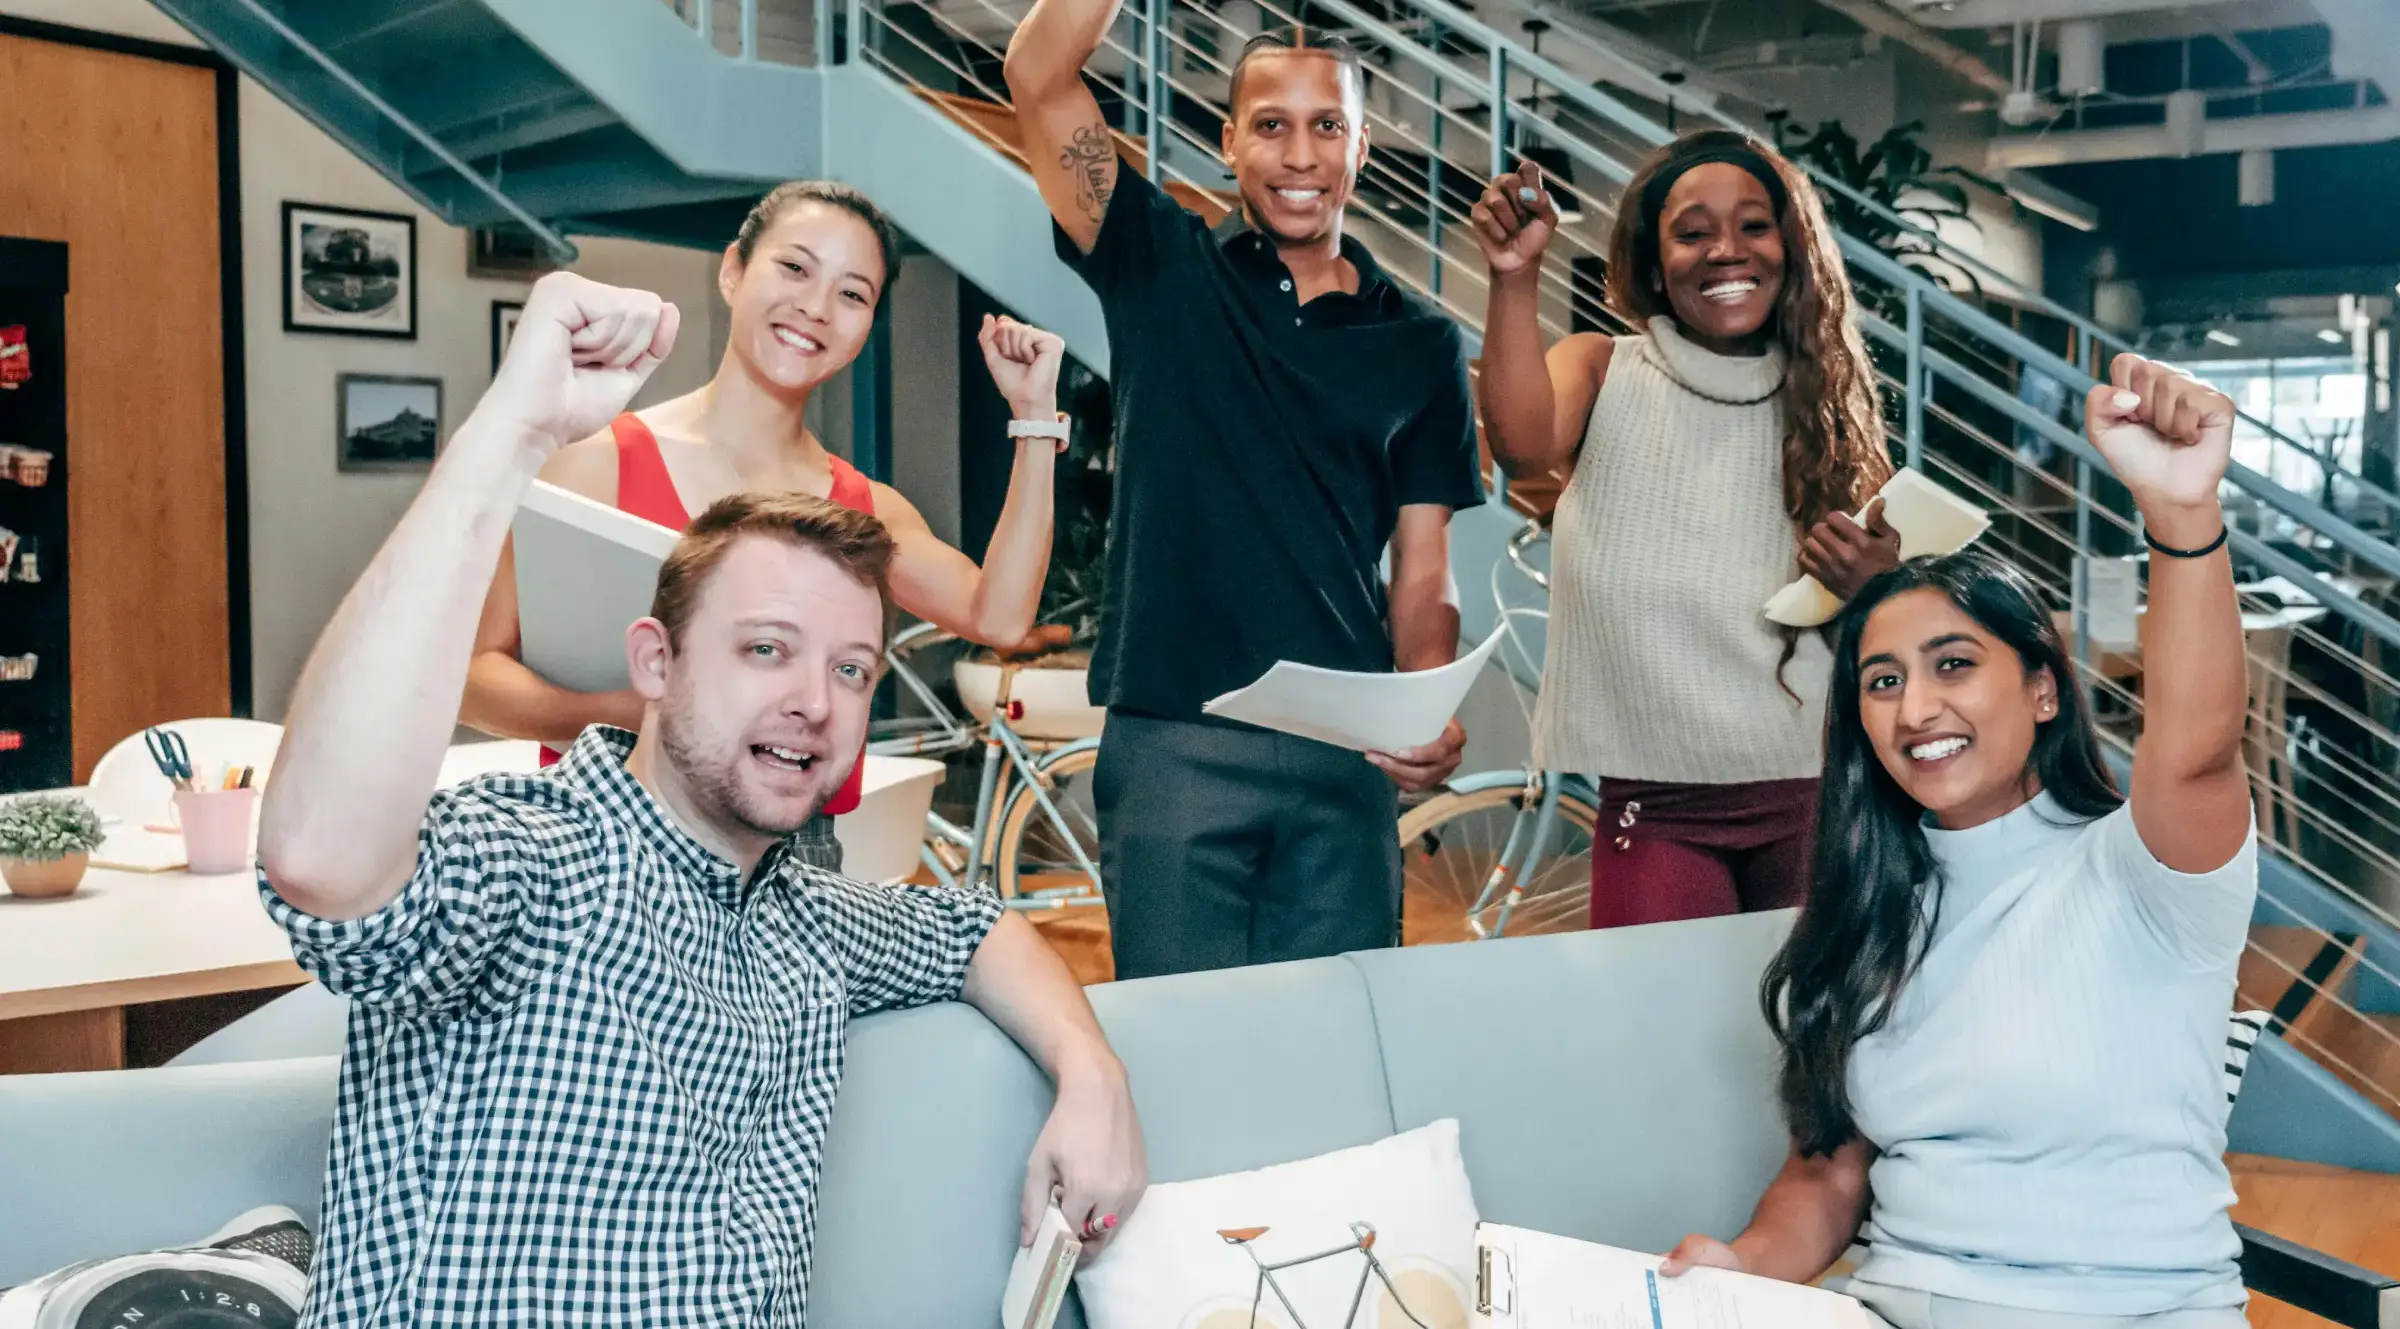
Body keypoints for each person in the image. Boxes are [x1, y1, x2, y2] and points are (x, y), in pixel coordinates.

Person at [257, 272, 1146, 1326]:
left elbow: (975, 930)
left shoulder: (808, 918)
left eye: (851, 670)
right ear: (656, 661)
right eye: (765, 649)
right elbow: (319, 859)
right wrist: (511, 436)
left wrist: (1094, 1075)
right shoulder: (539, 861)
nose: (814, 702)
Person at [1661, 355, 2256, 1328]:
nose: (1915, 709)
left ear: (2042, 690)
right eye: (1883, 681)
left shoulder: (2145, 871)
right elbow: (1825, 1176)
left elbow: (2196, 747)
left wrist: (2182, 512)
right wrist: (1740, 1264)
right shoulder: (1865, 909)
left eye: (1953, 664)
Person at [1002, 18, 1485, 978]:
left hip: (1343, 754)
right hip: (1175, 744)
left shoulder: (1422, 344)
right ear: (1228, 141)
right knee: (1181, 1046)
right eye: (1271, 125)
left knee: (1337, 1041)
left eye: (1327, 126)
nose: (1300, 155)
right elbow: (1036, 71)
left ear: (1361, 145)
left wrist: (1422, 707)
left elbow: (1424, 567)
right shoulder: (1155, 261)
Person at [464, 180, 1070, 872]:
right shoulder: (594, 466)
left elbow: (1000, 615)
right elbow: (474, 678)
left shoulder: (863, 507)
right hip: (613, 847)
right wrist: (644, 713)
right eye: (794, 267)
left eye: (853, 294)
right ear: (733, 271)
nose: (816, 307)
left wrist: (1034, 419)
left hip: (796, 859)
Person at [1470, 129, 1898, 930]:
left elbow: (1889, 626)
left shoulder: (1829, 405)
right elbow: (1521, 445)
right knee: (1660, 1014)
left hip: (1814, 792)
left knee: (1814, 1014)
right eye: (1693, 233)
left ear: (1792, 247)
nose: (1726, 250)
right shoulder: (1601, 368)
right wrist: (1514, 277)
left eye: (1754, 226)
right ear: (1654, 260)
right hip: (1656, 801)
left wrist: (1878, 586)